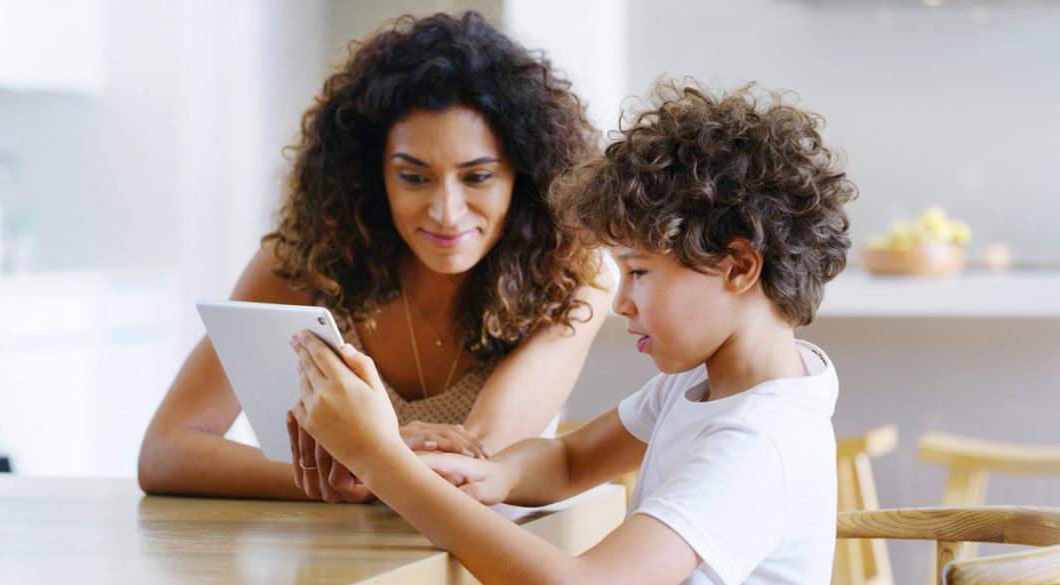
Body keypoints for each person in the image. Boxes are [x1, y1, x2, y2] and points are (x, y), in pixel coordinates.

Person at [289, 79, 857, 583]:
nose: (620, 301)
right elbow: (569, 462)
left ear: (738, 266)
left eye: (637, 272)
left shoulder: (755, 443)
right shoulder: (706, 386)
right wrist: (492, 476)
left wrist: (376, 456)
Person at [137, 11, 609, 503]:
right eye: (413, 177)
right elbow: (165, 452)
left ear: (525, 178)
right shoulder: (302, 263)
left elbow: (472, 465)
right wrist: (356, 470)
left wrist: (367, 459)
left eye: (477, 177)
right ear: (371, 174)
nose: (446, 213)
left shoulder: (572, 276)